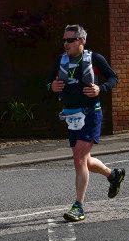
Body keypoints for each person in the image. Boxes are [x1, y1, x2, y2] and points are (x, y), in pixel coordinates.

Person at [49, 24, 124, 222]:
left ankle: (78, 206)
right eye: (64, 40)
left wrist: (101, 88)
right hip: (71, 116)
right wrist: (52, 86)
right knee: (86, 160)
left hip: (91, 114)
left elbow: (113, 78)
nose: (66, 44)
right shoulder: (61, 60)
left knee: (78, 159)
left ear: (81, 41)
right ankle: (112, 175)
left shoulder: (95, 58)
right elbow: (49, 82)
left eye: (70, 40)